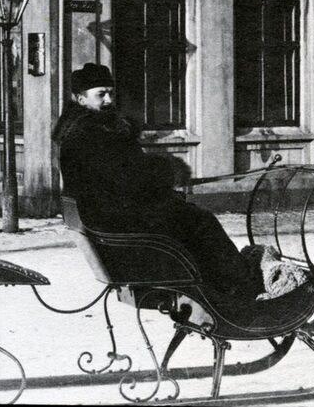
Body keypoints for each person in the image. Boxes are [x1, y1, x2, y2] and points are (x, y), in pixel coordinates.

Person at [53, 63, 263, 299]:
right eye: (100, 94)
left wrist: (161, 184)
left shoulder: (86, 131)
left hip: (109, 217)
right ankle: (241, 286)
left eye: (110, 93)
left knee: (190, 215)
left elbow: (122, 177)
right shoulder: (92, 135)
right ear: (81, 99)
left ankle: (220, 285)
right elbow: (126, 179)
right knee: (201, 221)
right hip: (116, 220)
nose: (109, 100)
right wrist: (166, 173)